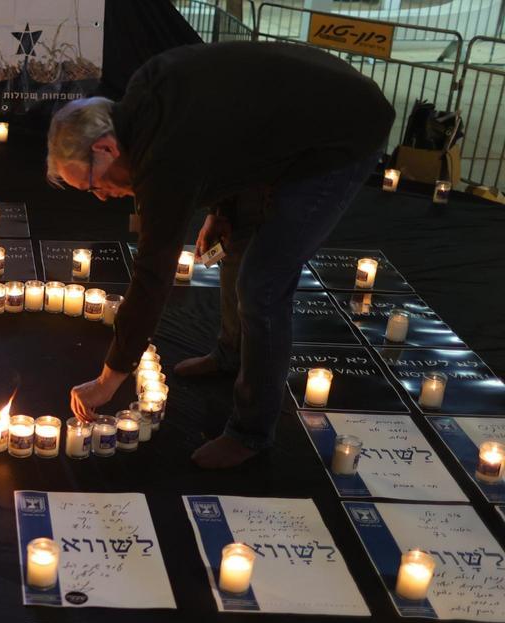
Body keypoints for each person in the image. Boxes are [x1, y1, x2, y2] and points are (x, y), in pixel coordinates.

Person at [47, 41, 394, 469]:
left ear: (105, 148)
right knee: (234, 241)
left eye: (93, 185)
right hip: (295, 121)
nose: (101, 197)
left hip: (340, 135)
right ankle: (232, 355)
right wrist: (221, 210)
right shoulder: (142, 107)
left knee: (263, 284)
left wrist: (109, 378)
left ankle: (251, 431)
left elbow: (154, 273)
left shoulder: (161, 157)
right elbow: (229, 136)